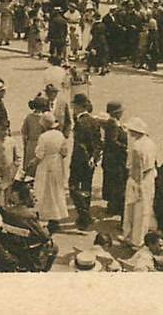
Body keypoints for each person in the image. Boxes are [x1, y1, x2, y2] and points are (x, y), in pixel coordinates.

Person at [121, 116, 156, 249]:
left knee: (133, 210)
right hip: (149, 178)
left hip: (138, 180)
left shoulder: (136, 147)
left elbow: (137, 169)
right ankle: (140, 238)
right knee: (144, 210)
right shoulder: (150, 143)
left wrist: (137, 185)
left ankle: (133, 238)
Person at [68, 93, 101, 230]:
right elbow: (98, 142)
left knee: (73, 187)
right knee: (86, 187)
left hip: (80, 160)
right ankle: (85, 212)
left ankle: (84, 215)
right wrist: (94, 157)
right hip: (91, 161)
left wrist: (84, 158)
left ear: (78, 106)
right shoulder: (94, 121)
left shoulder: (80, 123)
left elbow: (80, 145)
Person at [33, 112, 69, 232]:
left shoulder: (43, 137)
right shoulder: (60, 135)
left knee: (44, 190)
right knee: (57, 190)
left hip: (45, 164)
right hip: (57, 164)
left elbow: (40, 154)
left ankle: (44, 216)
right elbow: (64, 152)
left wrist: (32, 163)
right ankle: (55, 219)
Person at [101, 101, 128, 219]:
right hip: (114, 160)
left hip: (111, 159)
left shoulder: (113, 123)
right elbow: (113, 142)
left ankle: (112, 205)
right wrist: (125, 147)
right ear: (116, 113)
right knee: (116, 183)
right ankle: (114, 206)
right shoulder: (113, 124)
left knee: (112, 182)